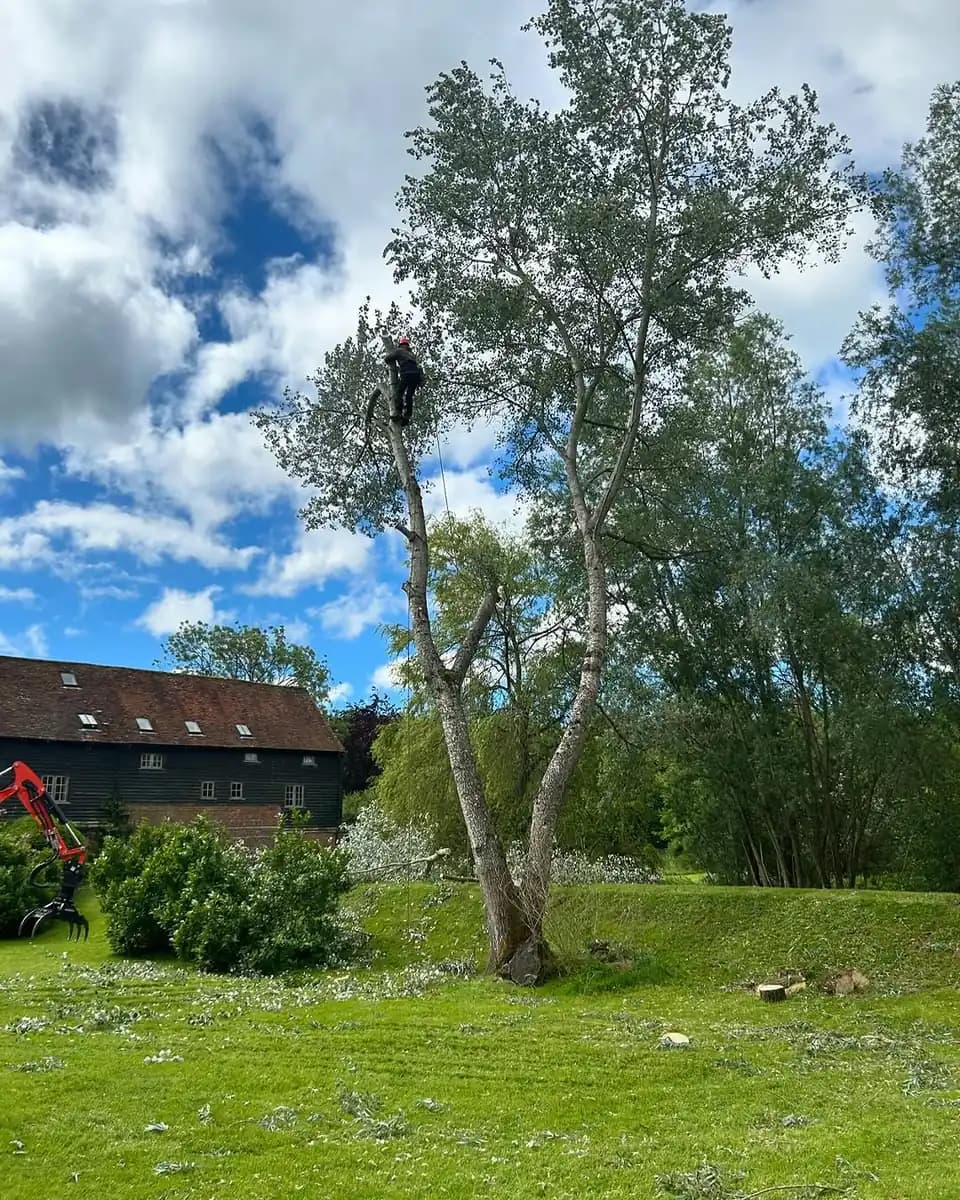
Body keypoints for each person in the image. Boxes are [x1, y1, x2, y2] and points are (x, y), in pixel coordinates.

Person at [383, 336, 424, 426]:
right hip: (415, 375)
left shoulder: (399, 351)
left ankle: (398, 412)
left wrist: (391, 355)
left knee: (399, 393)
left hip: (406, 374)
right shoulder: (411, 354)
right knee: (409, 396)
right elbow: (418, 367)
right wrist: (421, 381)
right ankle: (407, 416)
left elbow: (387, 359)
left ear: (401, 345)